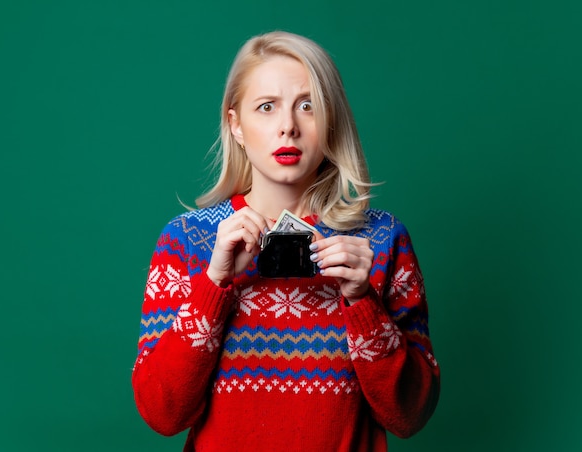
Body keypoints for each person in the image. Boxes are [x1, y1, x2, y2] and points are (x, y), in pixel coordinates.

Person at [132, 31, 440, 451]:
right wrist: (214, 285)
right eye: (266, 107)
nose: (288, 127)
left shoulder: (382, 240)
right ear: (235, 124)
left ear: (332, 121)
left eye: (308, 106)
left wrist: (362, 301)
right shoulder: (186, 240)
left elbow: (409, 415)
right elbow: (162, 413)